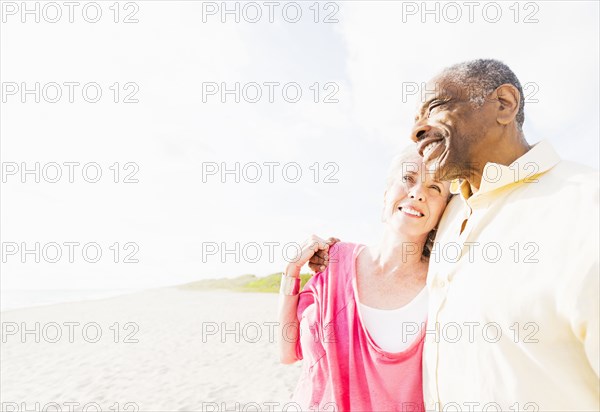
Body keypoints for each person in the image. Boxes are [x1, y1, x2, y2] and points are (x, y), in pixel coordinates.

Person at [310, 59, 600, 411]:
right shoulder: (452, 214)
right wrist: (333, 255)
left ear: (504, 104)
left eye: (433, 108)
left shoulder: (585, 208)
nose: (416, 131)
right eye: (415, 119)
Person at [278, 147, 452, 411]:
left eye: (435, 188)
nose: (417, 192)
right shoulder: (333, 259)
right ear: (386, 195)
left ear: (443, 212)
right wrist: (291, 272)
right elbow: (288, 353)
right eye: (408, 178)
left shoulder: (441, 288)